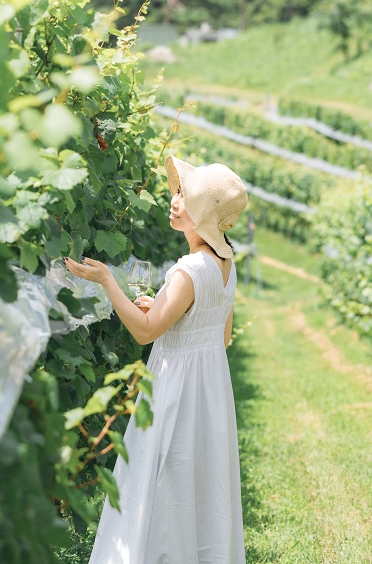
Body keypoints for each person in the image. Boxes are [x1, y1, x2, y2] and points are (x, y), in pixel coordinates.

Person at [65, 155, 249, 564]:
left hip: (175, 391)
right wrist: (169, 308)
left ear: (202, 213)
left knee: (161, 481)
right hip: (210, 395)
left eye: (184, 195)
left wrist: (108, 282)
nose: (174, 199)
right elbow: (221, 334)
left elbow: (146, 332)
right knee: (199, 489)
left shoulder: (188, 271)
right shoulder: (225, 265)